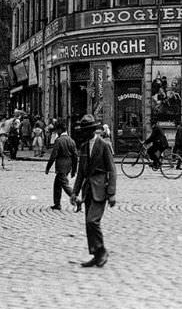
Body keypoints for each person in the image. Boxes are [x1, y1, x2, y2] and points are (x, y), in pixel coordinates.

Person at [71, 114, 117, 268]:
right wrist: (74, 192)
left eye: (87, 130)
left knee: (92, 221)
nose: (85, 132)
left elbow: (112, 170)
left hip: (100, 189)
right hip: (87, 190)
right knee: (88, 223)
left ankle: (102, 250)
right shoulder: (83, 147)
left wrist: (111, 193)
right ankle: (96, 255)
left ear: (93, 130)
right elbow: (80, 173)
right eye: (83, 130)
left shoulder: (104, 145)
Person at [45, 121, 78, 210]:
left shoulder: (59, 140)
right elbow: (75, 156)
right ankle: (57, 204)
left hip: (61, 166)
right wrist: (74, 170)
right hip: (68, 166)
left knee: (64, 184)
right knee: (57, 184)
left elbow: (53, 155)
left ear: (60, 130)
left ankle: (76, 199)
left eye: (57, 130)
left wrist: (48, 167)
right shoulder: (71, 140)